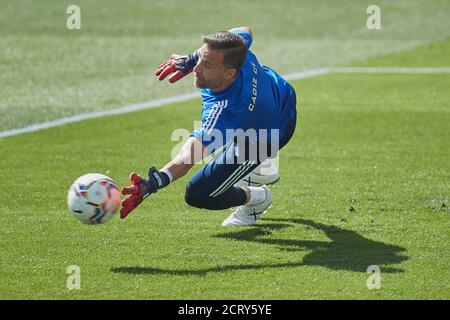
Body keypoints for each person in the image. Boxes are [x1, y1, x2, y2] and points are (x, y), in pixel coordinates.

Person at [120, 27, 297, 226]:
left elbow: (188, 157)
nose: (196, 69)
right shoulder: (237, 48)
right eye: (200, 60)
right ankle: (256, 170)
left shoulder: (224, 110)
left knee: (198, 194)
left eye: (207, 65)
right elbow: (245, 31)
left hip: (271, 133)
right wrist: (190, 58)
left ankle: (257, 198)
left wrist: (151, 184)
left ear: (230, 73)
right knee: (242, 135)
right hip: (280, 92)